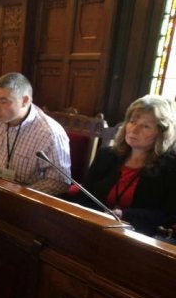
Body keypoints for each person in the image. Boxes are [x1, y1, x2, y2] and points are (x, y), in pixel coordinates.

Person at [72, 95, 176, 235]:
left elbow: (168, 215)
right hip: (93, 228)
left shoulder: (170, 167)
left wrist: (124, 215)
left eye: (146, 126)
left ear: (162, 133)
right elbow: (85, 196)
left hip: (140, 238)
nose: (134, 130)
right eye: (132, 121)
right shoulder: (107, 155)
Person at [0, 72, 71, 195]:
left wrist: (19, 194)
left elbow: (59, 181)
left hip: (27, 202)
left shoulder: (50, 133)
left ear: (24, 100)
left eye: (3, 101)